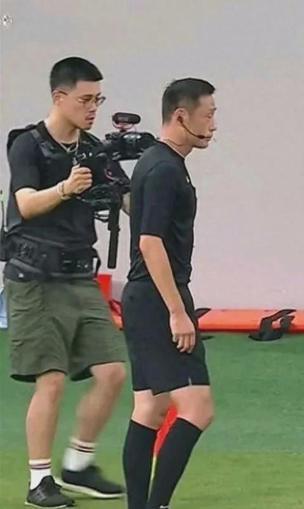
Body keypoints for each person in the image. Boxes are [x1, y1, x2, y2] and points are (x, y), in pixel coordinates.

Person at [3, 57, 126, 508]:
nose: (93, 108)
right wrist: (66, 189)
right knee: (51, 380)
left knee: (112, 372)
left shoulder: (94, 149)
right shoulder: (28, 144)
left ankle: (78, 464)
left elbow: (129, 201)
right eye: (85, 99)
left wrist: (157, 171)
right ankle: (39, 480)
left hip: (79, 277)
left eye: (99, 100)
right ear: (59, 97)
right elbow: (25, 204)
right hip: (34, 277)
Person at [121, 78, 217, 509]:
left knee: (150, 408)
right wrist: (177, 312)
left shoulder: (158, 163)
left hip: (143, 297)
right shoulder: (162, 169)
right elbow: (150, 242)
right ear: (181, 116)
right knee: (198, 408)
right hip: (159, 297)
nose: (213, 125)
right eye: (207, 115)